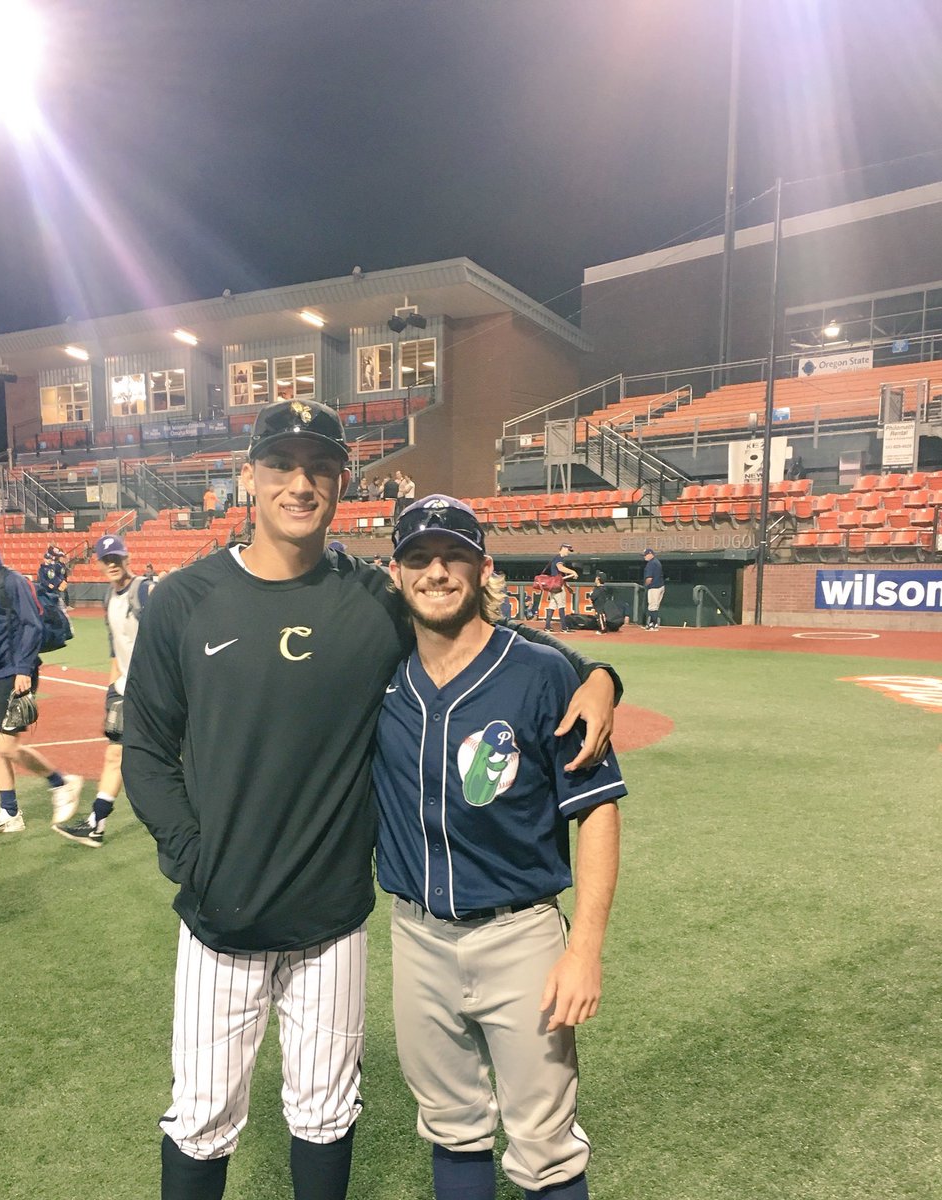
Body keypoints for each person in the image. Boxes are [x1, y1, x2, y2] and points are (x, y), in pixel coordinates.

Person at [121, 399, 621, 1200]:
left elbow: (485, 630)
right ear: (247, 477)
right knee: (202, 1112)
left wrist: (597, 672)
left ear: (342, 482)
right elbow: (143, 750)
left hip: (334, 920)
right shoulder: (184, 599)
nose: (299, 482)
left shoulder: (370, 597)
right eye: (281, 464)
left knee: (325, 1111)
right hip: (221, 919)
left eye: (319, 466)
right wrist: (193, 858)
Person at [373, 495, 625, 1200]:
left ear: (483, 568)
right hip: (415, 936)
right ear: (396, 574)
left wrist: (584, 950)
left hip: (521, 938)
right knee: (450, 1127)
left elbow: (598, 810)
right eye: (419, 558)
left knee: (544, 1146)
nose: (436, 572)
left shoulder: (543, 672)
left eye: (453, 554)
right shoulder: (381, 668)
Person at [0, 524, 83, 836]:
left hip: (14, 673)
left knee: (8, 746)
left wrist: (24, 669)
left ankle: (61, 782)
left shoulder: (12, 581)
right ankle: (10, 813)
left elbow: (32, 626)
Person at [55, 534, 153, 847]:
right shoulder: (109, 599)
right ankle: (97, 823)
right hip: (127, 688)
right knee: (116, 755)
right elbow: (116, 648)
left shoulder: (145, 590)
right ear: (98, 564)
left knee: (158, 760)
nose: (112, 565)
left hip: (155, 692)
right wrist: (112, 690)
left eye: (117, 558)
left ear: (127, 558)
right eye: (106, 560)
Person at [538, 543, 578, 631]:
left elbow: (560, 576)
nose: (568, 552)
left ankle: (547, 626)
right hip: (557, 586)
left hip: (554, 585)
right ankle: (564, 627)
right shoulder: (559, 558)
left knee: (552, 605)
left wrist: (567, 586)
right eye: (568, 549)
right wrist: (573, 572)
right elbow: (560, 568)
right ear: (563, 548)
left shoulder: (557, 558)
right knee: (561, 605)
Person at [37, 545, 72, 610]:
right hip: (45, 589)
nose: (49, 560)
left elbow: (56, 576)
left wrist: (60, 582)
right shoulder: (41, 569)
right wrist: (48, 584)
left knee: (57, 602)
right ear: (44, 559)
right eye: (48, 559)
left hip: (53, 588)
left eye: (50, 559)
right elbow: (42, 580)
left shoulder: (53, 567)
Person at [642, 548, 664, 630]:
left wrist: (645, 586)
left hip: (654, 587)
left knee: (652, 606)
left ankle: (653, 624)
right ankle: (653, 623)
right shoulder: (657, 562)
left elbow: (649, 579)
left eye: (645, 555)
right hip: (660, 586)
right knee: (655, 606)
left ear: (650, 554)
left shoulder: (651, 563)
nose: (644, 557)